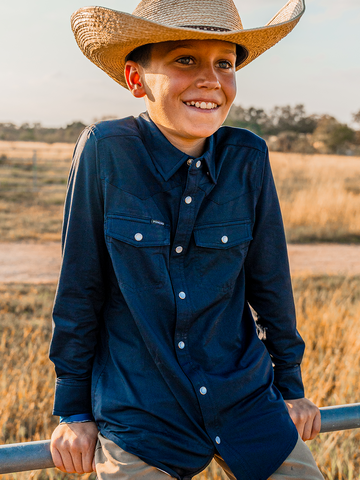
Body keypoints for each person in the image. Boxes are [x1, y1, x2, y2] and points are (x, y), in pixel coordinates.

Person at [49, 0, 324, 479]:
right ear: (137, 79)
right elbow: (80, 286)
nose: (210, 80)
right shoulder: (105, 150)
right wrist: (73, 412)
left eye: (225, 63)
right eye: (185, 60)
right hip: (142, 412)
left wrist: (291, 386)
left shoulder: (248, 157)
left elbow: (271, 285)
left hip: (246, 402)